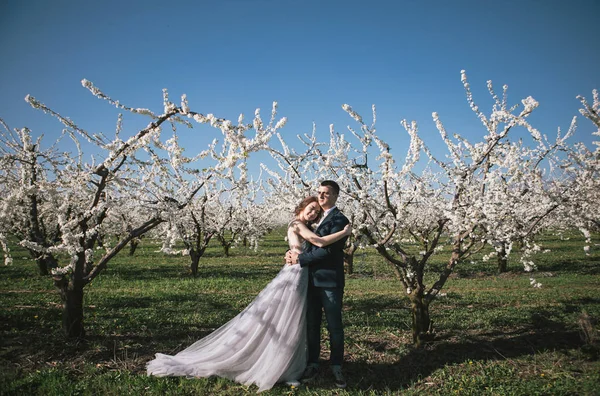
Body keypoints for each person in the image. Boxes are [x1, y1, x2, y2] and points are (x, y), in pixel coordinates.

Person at [147, 196, 351, 392]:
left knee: (291, 319)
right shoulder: (297, 224)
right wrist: (344, 233)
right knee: (284, 318)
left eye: (316, 211)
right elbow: (319, 242)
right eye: (311, 208)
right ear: (302, 207)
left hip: (301, 273)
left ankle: (286, 362)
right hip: (295, 274)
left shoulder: (304, 225)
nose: (314, 213)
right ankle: (279, 365)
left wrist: (296, 252)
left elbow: (310, 245)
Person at [285, 180, 350, 389]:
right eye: (319, 193)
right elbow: (304, 241)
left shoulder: (340, 219)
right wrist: (293, 253)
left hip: (329, 281)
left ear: (335, 196)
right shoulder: (316, 219)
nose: (321, 197)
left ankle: (337, 365)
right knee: (312, 325)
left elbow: (327, 250)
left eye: (326, 193)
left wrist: (300, 259)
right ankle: (313, 363)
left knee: (334, 326)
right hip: (309, 281)